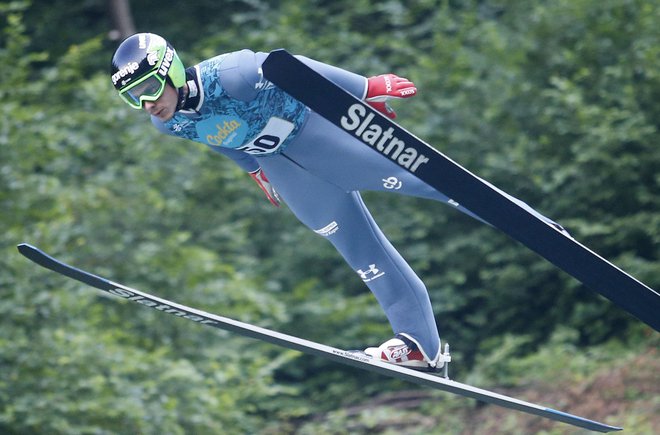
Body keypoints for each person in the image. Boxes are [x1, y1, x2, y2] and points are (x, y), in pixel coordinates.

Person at [111, 33, 564, 371]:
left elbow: (292, 67)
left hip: (321, 138)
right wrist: (256, 172)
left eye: (149, 88)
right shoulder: (168, 124)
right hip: (289, 172)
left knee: (433, 181)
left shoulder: (229, 74)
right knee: (361, 253)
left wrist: (363, 88)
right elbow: (221, 141)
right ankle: (418, 344)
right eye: (134, 97)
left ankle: (536, 226)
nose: (147, 103)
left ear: (169, 71)